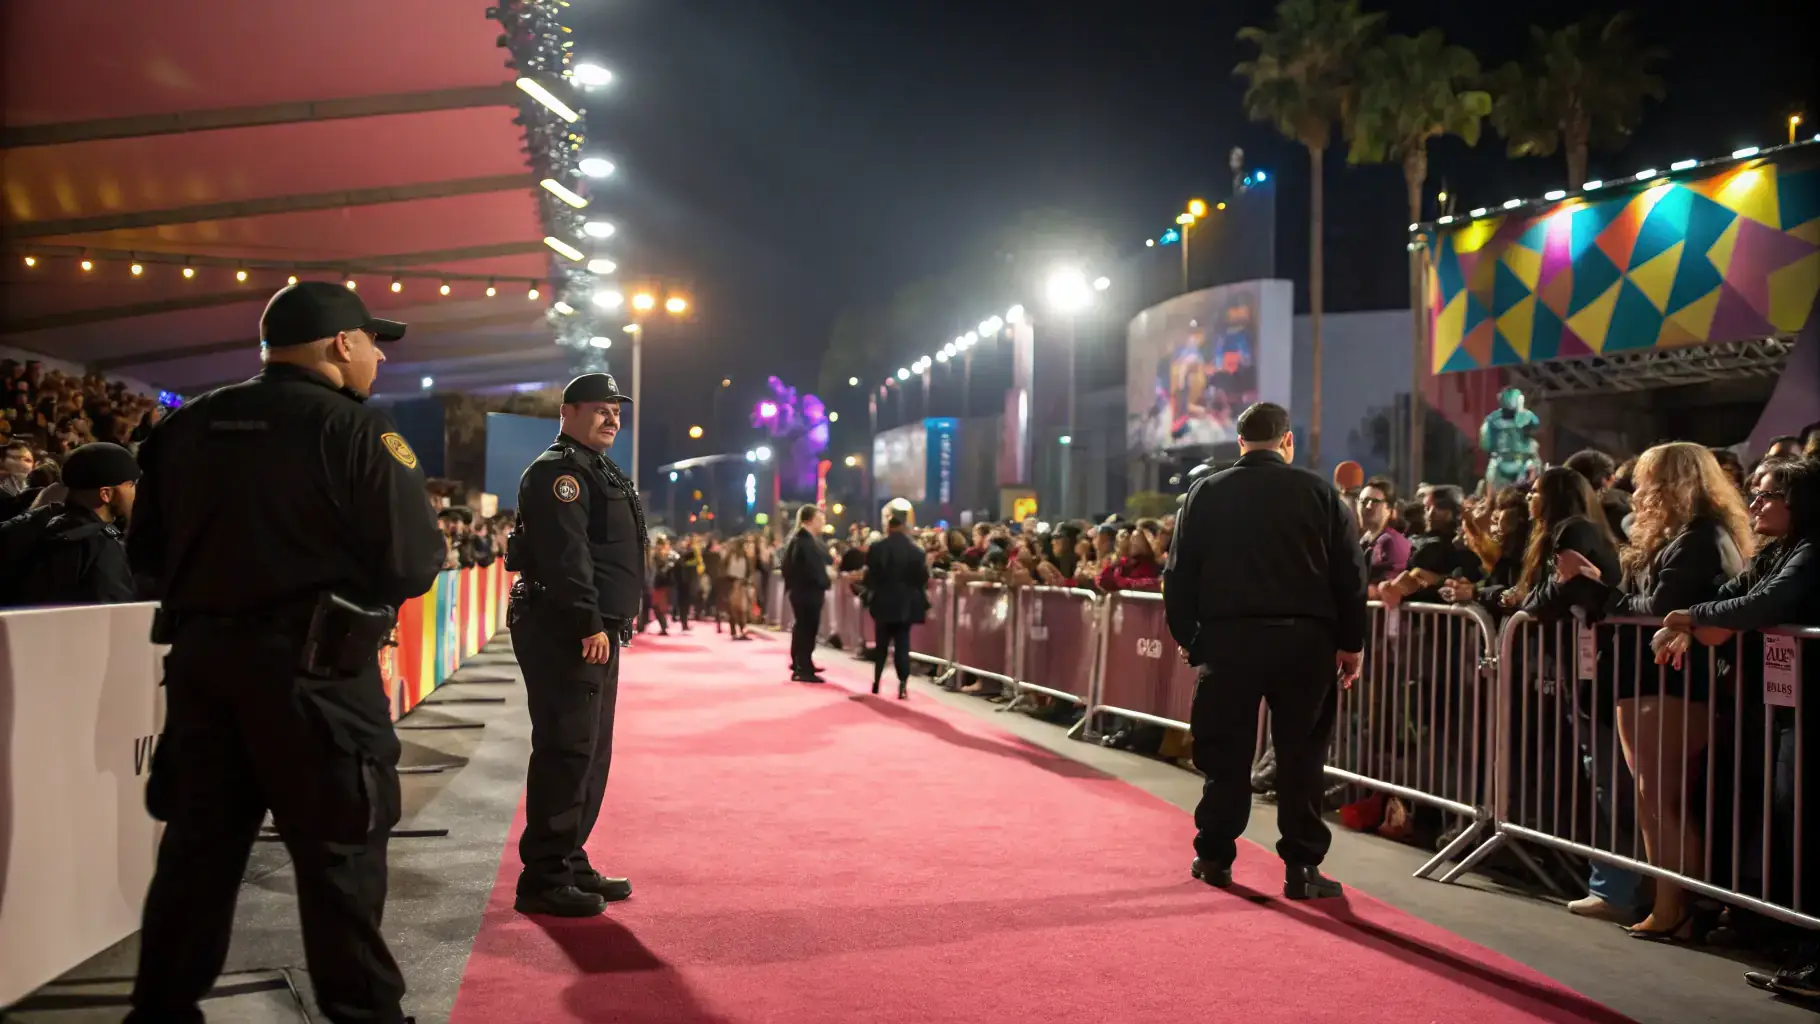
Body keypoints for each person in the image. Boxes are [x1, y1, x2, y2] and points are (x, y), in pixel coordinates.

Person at [123, 281, 446, 1024]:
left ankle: (160, 1012)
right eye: (373, 343)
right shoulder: (357, 429)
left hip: (203, 672)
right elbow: (412, 562)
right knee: (341, 859)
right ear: (340, 343)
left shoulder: (186, 425)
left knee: (196, 856)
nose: (379, 359)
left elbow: (145, 557)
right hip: (316, 679)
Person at [1162, 402, 1366, 900]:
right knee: (1302, 757)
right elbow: (1350, 574)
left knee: (1225, 755)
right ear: (1287, 441)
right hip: (1306, 645)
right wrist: (1351, 644)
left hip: (1229, 642)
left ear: (1240, 442)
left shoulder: (1207, 492)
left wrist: (1191, 638)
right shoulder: (1319, 492)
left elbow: (1179, 572)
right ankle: (1302, 868)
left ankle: (1215, 856)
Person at [506, 372, 646, 918]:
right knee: (566, 748)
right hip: (564, 626)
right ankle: (544, 875)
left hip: (594, 627)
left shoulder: (595, 466)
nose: (612, 418)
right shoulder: (558, 472)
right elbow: (567, 556)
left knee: (590, 750)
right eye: (599, 409)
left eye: (617, 411)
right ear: (567, 412)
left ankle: (568, 856)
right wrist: (589, 620)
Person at [10, 441, 139, 606]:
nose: (135, 493)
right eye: (131, 485)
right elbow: (113, 616)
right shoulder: (102, 546)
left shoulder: (41, 524)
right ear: (106, 494)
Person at [864, 511, 929, 698]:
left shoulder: (877, 548)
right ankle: (902, 685)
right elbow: (922, 579)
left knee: (881, 645)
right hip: (905, 604)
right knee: (902, 645)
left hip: (883, 601)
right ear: (904, 527)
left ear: (889, 527)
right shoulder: (916, 551)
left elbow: (870, 576)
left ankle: (877, 681)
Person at [782, 503, 832, 682]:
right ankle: (803, 668)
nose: (823, 523)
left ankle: (801, 662)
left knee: (802, 627)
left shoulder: (800, 539)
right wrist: (826, 581)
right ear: (810, 520)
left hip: (801, 591)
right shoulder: (804, 541)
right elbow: (812, 570)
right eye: (820, 519)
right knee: (808, 629)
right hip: (807, 592)